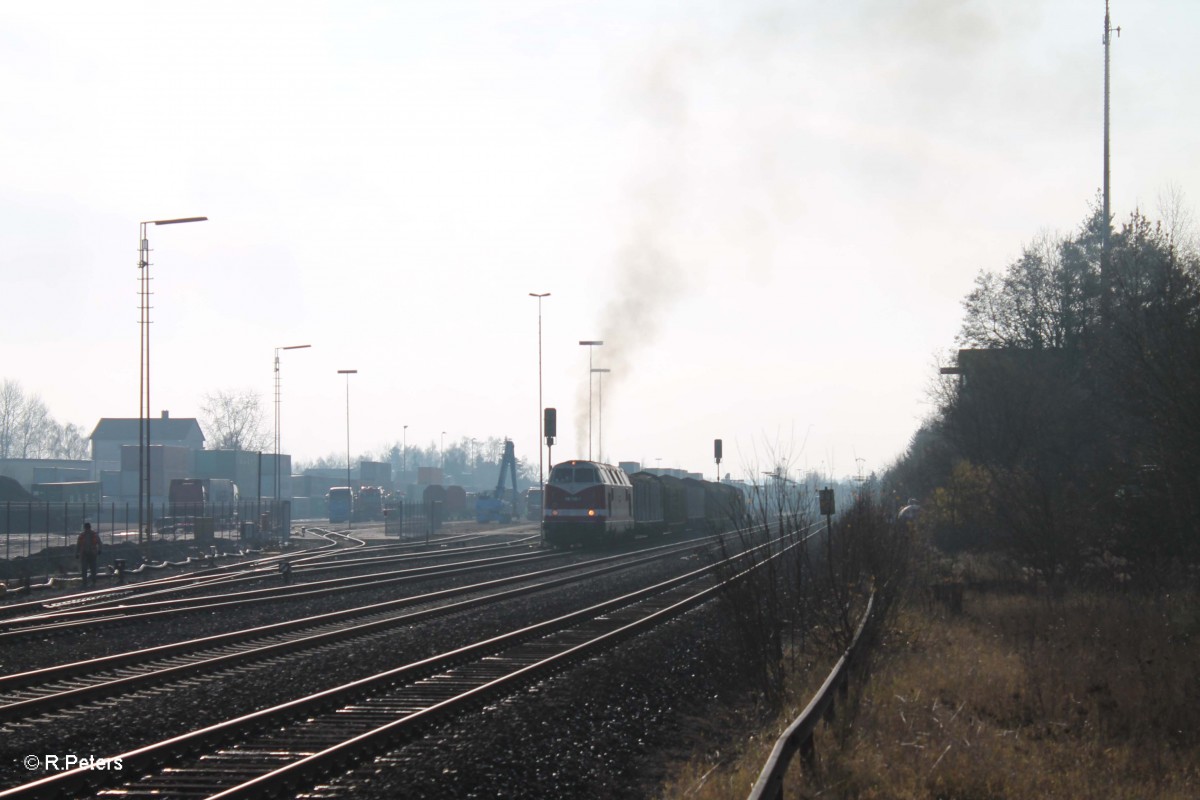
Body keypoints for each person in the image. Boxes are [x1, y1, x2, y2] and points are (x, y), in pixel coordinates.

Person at [77, 522, 101, 588]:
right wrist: (77, 553)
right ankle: (85, 583)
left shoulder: (93, 535)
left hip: (92, 554)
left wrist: (99, 550)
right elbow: (78, 545)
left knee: (92, 569)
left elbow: (99, 543)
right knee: (85, 569)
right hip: (85, 554)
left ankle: (92, 583)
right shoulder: (83, 535)